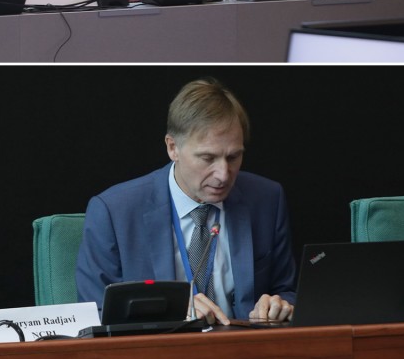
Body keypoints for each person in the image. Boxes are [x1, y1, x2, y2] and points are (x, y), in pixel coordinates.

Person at [75, 77, 296, 326]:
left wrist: (280, 304)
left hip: (247, 351)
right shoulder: (113, 212)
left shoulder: (267, 199)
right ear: (173, 148)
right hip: (158, 355)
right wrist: (172, 310)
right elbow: (95, 312)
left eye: (233, 157)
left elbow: (287, 289)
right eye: (207, 158)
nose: (224, 174)